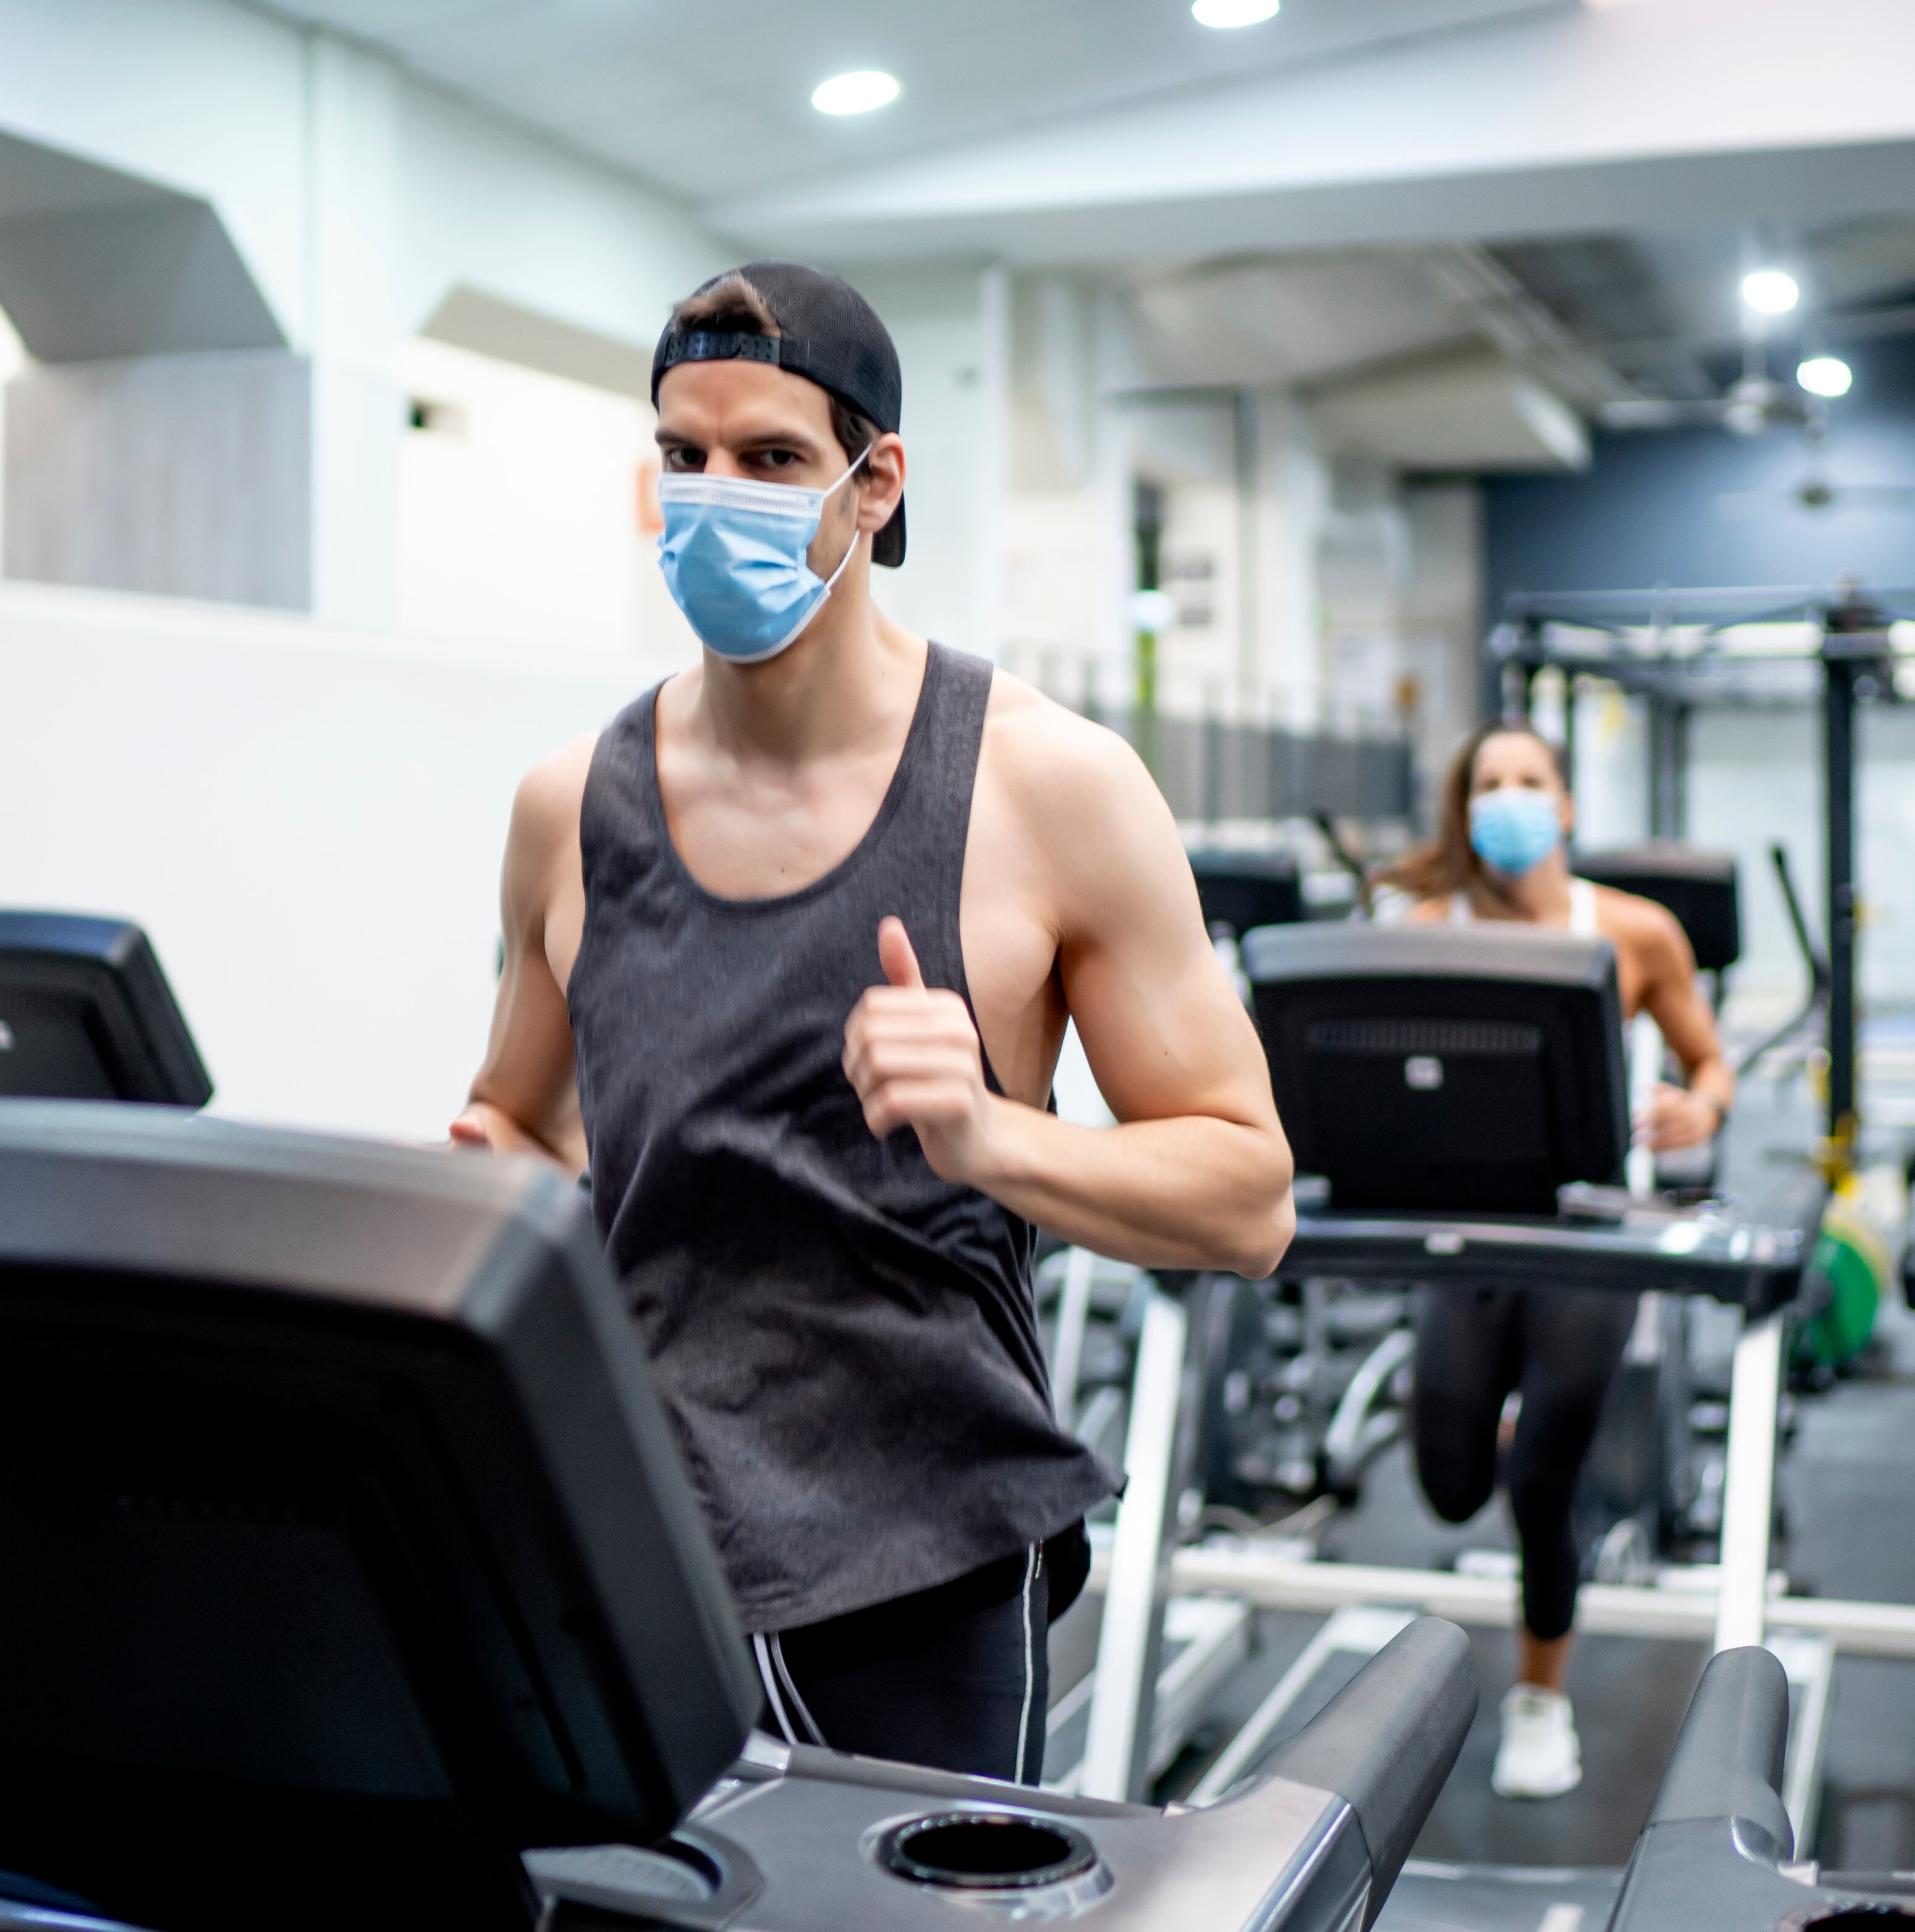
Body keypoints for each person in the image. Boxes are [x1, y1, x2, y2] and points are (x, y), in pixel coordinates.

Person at [450, 262, 1294, 1786]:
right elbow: (517, 1116)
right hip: (629, 1541)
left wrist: (994, 1136)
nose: (715, 496)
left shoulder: (1053, 786)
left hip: (923, 1565)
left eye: (770, 458)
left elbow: (1248, 1197)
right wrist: (486, 1186)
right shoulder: (569, 806)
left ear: (871, 479)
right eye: (682, 455)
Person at [1373, 719, 1736, 1800]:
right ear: (1466, 808)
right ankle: (1502, 1408)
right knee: (1447, 1484)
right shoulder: (1427, 928)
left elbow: (1709, 1061)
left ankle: (1540, 1700)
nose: (1511, 799)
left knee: (1543, 1485)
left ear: (1566, 805)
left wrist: (1694, 1107)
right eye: (1490, 782)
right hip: (1467, 1233)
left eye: (1530, 780)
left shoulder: (1634, 933)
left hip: (1588, 1233)